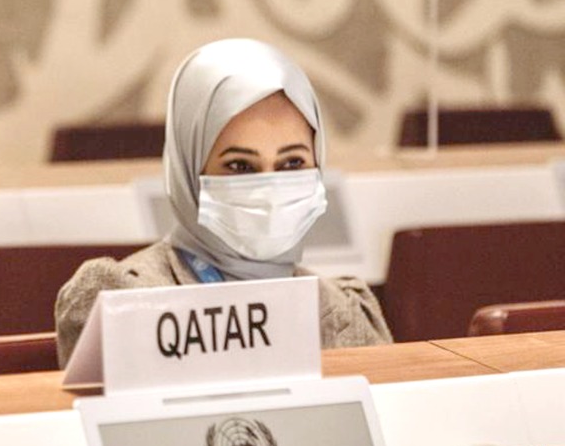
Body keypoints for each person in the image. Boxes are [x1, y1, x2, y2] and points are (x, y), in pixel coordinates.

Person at [55, 38, 391, 366]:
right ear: (189, 168)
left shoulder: (344, 312)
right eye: (240, 166)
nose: (267, 188)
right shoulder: (125, 301)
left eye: (292, 163)